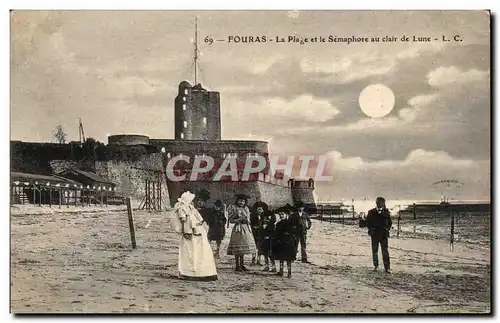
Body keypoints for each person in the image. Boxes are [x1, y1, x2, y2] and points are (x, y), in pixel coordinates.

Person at [170, 191, 217, 281]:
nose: (192, 202)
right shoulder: (182, 209)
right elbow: (183, 221)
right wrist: (185, 231)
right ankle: (189, 272)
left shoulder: (192, 209)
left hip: (198, 230)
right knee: (190, 251)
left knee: (201, 250)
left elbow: (200, 219)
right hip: (189, 231)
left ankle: (204, 271)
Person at [227, 194, 257, 272]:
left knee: (243, 248)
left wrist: (247, 221)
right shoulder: (234, 208)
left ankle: (242, 264)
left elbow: (249, 219)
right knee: (238, 248)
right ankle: (237, 265)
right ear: (237, 201)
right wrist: (238, 219)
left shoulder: (246, 209)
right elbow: (231, 220)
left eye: (243, 201)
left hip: (246, 228)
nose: (241, 202)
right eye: (240, 201)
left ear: (245, 202)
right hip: (238, 229)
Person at [365, 197, 392, 273]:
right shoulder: (371, 212)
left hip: (383, 235)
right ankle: (376, 266)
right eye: (379, 202)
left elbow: (390, 223)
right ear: (376, 203)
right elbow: (368, 222)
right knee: (375, 251)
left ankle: (387, 268)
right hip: (374, 235)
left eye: (382, 203)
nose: (380, 204)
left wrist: (387, 229)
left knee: (385, 251)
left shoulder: (386, 212)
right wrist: (371, 230)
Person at [272, 205, 298, 278]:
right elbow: (276, 234)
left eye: (282, 214)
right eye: (280, 214)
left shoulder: (290, 223)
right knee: (281, 258)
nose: (281, 216)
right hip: (281, 243)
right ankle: (281, 271)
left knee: (288, 259)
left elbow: (292, 233)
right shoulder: (278, 224)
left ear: (286, 215)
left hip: (288, 243)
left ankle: (289, 272)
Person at [254, 201, 277, 272]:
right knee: (265, 254)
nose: (266, 219)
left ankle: (274, 267)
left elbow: (273, 233)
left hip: (269, 241)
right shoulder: (261, 226)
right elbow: (259, 232)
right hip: (263, 241)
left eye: (268, 218)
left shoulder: (272, 226)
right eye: (265, 218)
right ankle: (267, 266)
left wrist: (270, 237)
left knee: (271, 255)